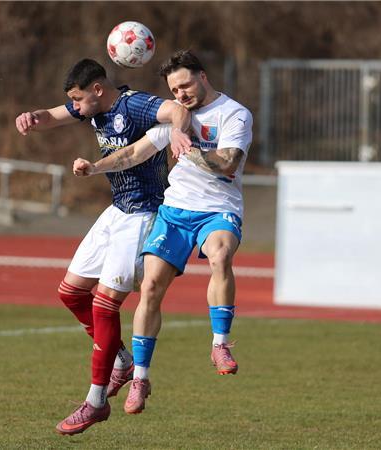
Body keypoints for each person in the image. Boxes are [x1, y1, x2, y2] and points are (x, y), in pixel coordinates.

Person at [15, 58, 191, 435]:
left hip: (142, 215)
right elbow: (53, 115)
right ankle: (122, 361)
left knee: (105, 302)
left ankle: (95, 402)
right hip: (115, 211)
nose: (75, 108)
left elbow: (176, 109)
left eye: (78, 100)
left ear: (98, 89)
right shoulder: (91, 108)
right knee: (71, 293)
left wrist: (177, 132)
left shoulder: (135, 105)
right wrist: (33, 117)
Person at [72, 50, 253, 415]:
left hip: (217, 209)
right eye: (174, 89)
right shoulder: (173, 118)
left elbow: (229, 163)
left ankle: (220, 343)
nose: (181, 94)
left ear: (203, 76)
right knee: (151, 287)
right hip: (173, 211)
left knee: (219, 255)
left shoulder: (234, 113)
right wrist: (94, 168)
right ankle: (140, 378)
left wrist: (191, 148)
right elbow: (133, 153)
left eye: (185, 85)